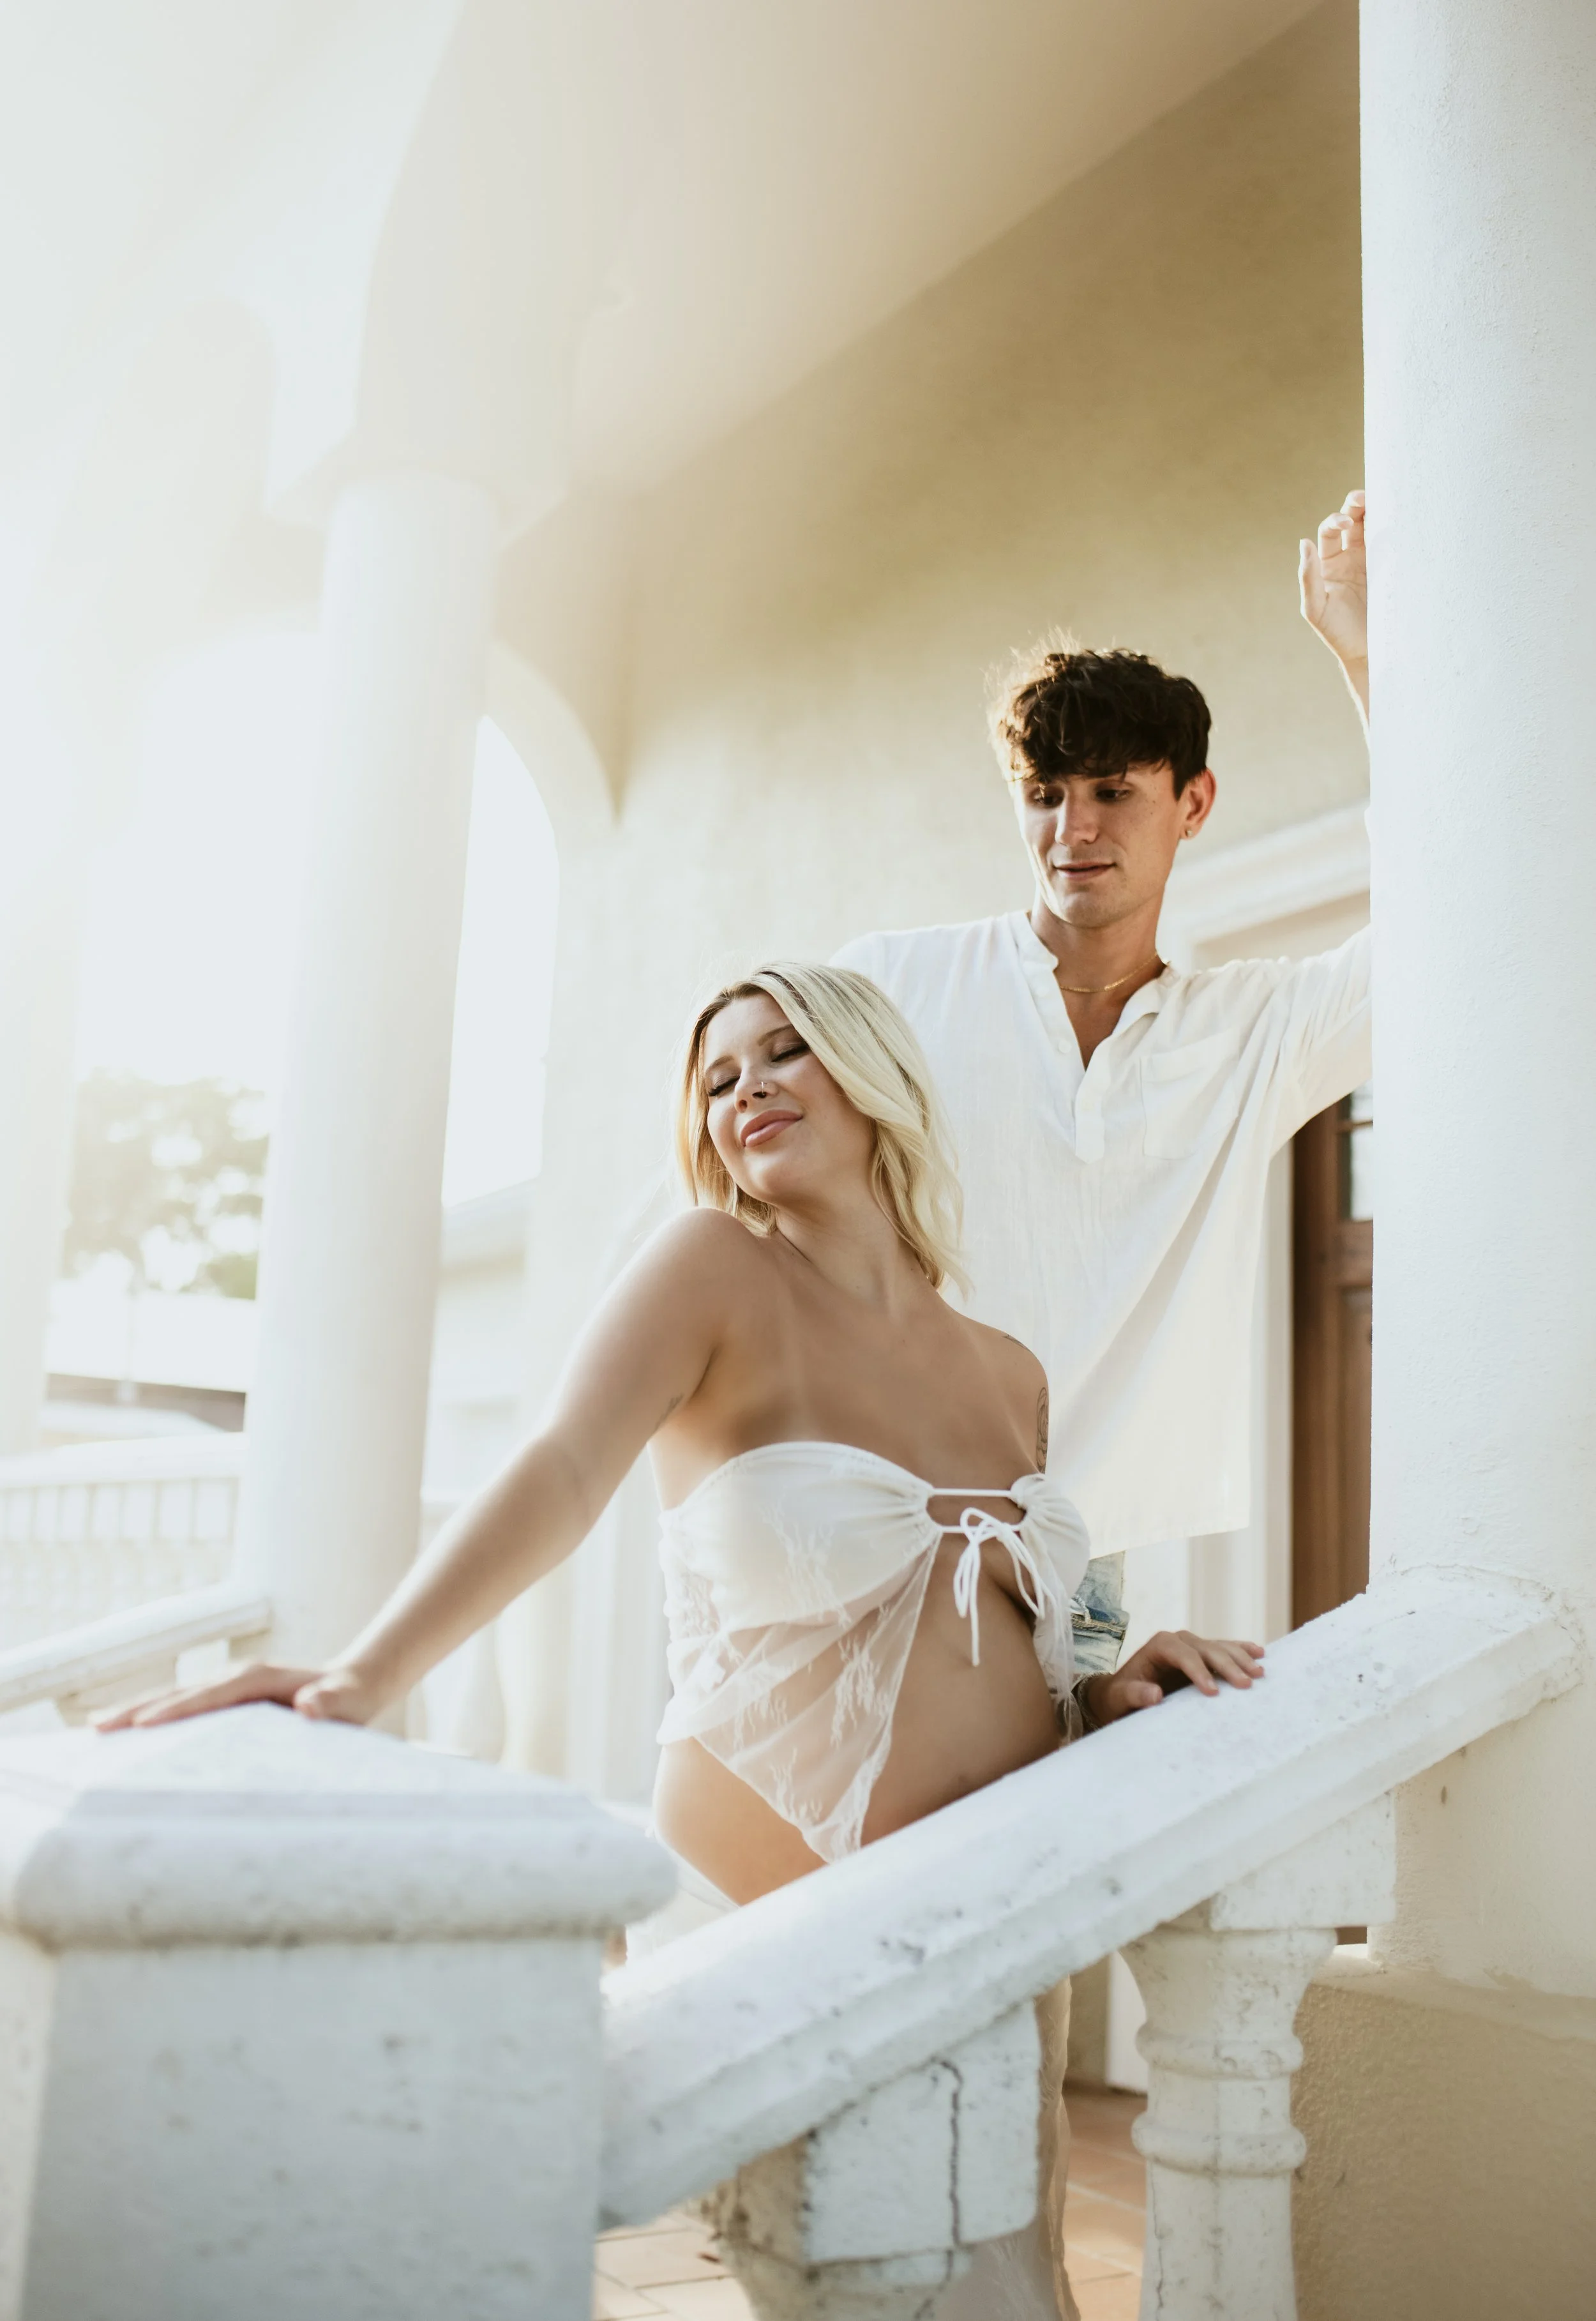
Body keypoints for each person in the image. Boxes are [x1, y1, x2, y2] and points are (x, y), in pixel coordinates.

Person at [100, 962, 1261, 2321]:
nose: (746, 1088)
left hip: (1002, 1887)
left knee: (1010, 2280)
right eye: (717, 1079)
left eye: (783, 1051)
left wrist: (1110, 1685)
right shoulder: (714, 1268)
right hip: (780, 1879)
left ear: (872, 1071)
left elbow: (1031, 1619)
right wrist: (365, 1674)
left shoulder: (1010, 1368)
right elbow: (562, 1465)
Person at [832, 492, 1372, 1696]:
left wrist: (1366, 664)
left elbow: (1440, 925)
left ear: (1194, 803)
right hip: (873, 1535)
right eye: (1045, 794)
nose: (1072, 829)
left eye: (1113, 791)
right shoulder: (891, 983)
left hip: (1074, 1575)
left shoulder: (1251, 1030)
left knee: (1053, 1802)